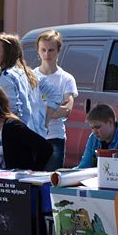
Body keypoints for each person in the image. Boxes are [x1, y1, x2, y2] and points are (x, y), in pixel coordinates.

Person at [0, 83, 52, 170]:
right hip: (0, 182)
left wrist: (32, 172)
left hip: (16, 182)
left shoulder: (12, 126)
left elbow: (46, 147)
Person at [32, 30, 77, 170]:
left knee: (49, 180)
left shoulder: (66, 78)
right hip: (33, 136)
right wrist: (53, 110)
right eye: (43, 50)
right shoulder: (30, 77)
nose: (47, 54)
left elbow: (67, 110)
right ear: (38, 51)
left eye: (51, 50)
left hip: (55, 137)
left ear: (58, 51)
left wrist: (40, 109)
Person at [0, 33, 37, 130]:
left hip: (17, 132)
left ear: (8, 53)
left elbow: (13, 110)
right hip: (30, 129)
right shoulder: (23, 72)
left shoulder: (6, 76)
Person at [77, 104, 118, 168]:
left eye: (97, 127)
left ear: (110, 122)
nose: (94, 132)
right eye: (92, 128)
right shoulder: (93, 138)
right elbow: (84, 165)